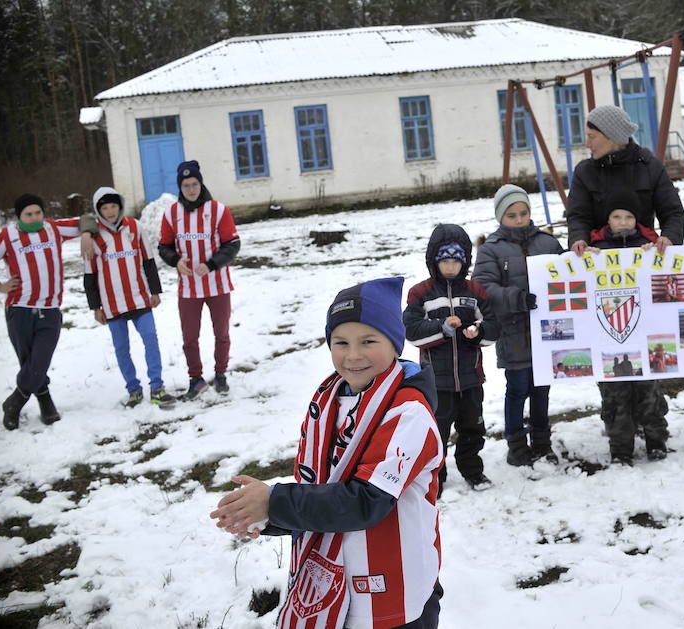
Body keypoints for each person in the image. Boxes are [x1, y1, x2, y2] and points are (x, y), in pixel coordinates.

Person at [209, 277, 443, 629]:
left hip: (395, 592)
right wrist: (267, 515)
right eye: (341, 342)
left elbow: (366, 501)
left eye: (369, 341)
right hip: (336, 586)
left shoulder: (408, 413)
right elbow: (323, 486)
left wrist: (276, 502)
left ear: (395, 344)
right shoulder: (328, 401)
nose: (353, 355)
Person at [0, 193, 98, 429]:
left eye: (38, 212)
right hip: (19, 310)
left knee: (39, 360)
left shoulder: (53, 229)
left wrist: (87, 234)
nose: (35, 217)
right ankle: (45, 401)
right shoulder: (8, 236)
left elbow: (87, 219)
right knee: (29, 362)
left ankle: (14, 402)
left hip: (49, 309)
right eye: (29, 214)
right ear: (19, 216)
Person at [472, 184, 564, 467]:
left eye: (524, 213)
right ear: (501, 217)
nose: (520, 219)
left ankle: (541, 440)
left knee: (542, 389)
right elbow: (483, 287)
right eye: (512, 215)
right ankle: (516, 443)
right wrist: (517, 298)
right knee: (517, 389)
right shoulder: (491, 249)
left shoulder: (547, 243)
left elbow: (567, 274)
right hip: (513, 333)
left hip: (548, 332)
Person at [404, 223, 499, 494]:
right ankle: (437, 477)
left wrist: (477, 333)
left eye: (456, 261)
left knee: (472, 427)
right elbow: (412, 332)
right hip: (436, 382)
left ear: (465, 262)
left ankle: (473, 470)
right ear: (434, 261)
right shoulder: (421, 293)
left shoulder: (475, 292)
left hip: (471, 378)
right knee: (437, 432)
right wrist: (442, 329)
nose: (450, 267)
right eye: (444, 260)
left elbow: (492, 328)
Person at [587, 189, 670, 464]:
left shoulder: (651, 245)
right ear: (607, 220)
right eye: (616, 216)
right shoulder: (594, 249)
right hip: (609, 341)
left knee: (649, 394)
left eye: (629, 216)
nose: (623, 222)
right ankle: (620, 446)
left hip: (644, 337)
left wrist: (653, 253)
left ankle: (656, 440)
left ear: (638, 219)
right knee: (615, 398)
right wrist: (586, 257)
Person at [84, 187, 175, 409]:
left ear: (120, 206)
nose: (110, 211)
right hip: (112, 304)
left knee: (150, 338)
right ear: (98, 210)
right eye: (104, 208)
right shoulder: (93, 236)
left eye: (113, 206)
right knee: (121, 348)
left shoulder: (135, 227)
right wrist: (95, 307)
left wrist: (155, 291)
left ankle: (157, 387)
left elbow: (148, 260)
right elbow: (89, 274)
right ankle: (133, 389)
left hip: (139, 299)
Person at [159, 160, 241, 400]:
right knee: (190, 337)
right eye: (186, 185)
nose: (191, 189)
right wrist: (176, 261)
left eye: (194, 184)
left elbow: (232, 243)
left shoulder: (217, 210)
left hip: (218, 284)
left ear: (201, 184)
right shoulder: (172, 213)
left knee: (221, 333)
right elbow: (164, 245)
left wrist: (212, 264)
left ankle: (221, 373)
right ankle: (195, 379)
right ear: (180, 188)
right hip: (188, 288)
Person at [566, 104, 684, 257]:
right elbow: (578, 216)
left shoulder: (649, 167)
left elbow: (672, 212)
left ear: (612, 136)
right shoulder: (584, 172)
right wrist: (579, 240)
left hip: (644, 256)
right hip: (598, 261)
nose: (587, 144)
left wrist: (669, 238)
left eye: (592, 137)